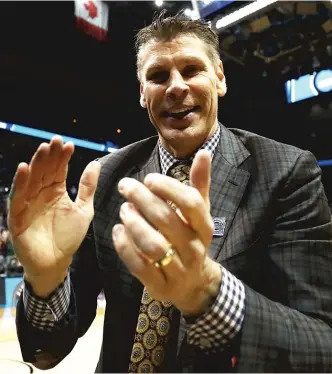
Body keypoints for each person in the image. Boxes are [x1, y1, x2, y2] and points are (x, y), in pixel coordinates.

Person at [8, 11, 332, 373]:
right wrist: (46, 278)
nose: (176, 86)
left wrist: (208, 291)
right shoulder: (107, 177)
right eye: (158, 76)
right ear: (142, 94)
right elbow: (45, 352)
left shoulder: (286, 171)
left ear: (220, 79)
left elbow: (320, 346)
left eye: (192, 69)